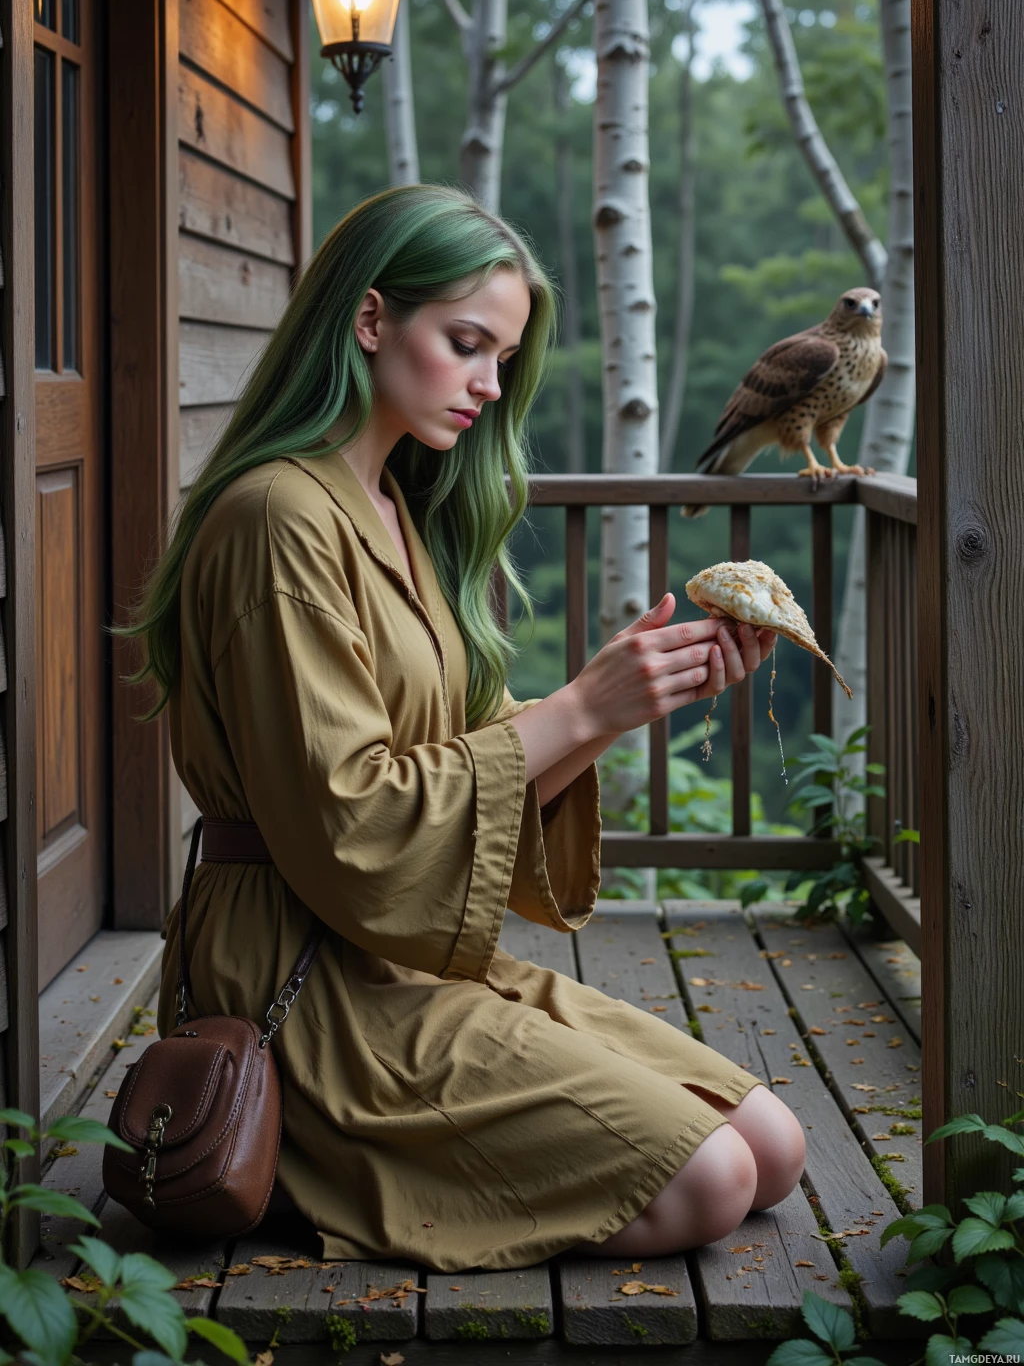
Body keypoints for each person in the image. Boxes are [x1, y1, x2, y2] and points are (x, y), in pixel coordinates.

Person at [126, 184, 806, 1271]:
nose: (491, 387)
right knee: (715, 1180)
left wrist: (635, 695)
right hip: (297, 972)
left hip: (395, 947)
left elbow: (479, 761)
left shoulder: (397, 506)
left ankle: (427, 1151)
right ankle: (322, 1152)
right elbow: (351, 821)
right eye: (467, 345)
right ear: (368, 321)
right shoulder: (275, 519)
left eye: (503, 358)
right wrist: (581, 706)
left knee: (774, 1145)